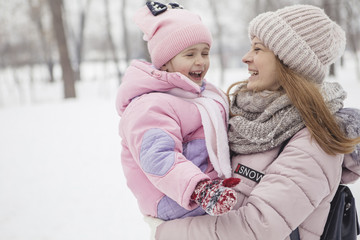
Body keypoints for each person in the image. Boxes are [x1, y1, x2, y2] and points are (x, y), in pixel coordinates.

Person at [154, 4, 360, 240]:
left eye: (258, 49)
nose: (246, 57)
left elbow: (257, 228)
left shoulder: (314, 141)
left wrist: (163, 232)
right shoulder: (240, 116)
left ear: (289, 62)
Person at [115, 1, 240, 223]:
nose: (200, 61)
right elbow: (158, 157)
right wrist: (201, 189)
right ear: (165, 63)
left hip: (202, 185)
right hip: (171, 195)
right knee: (247, 214)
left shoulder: (202, 95)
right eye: (190, 55)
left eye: (205, 52)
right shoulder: (150, 105)